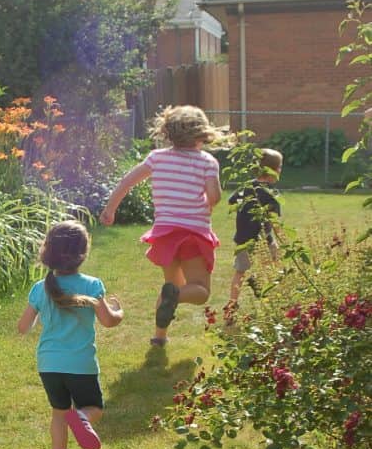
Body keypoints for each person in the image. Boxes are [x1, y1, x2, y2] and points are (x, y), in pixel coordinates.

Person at [100, 105, 222, 346]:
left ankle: (159, 337)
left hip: (165, 235)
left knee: (171, 287)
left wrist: (110, 209)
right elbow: (214, 195)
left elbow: (127, 181)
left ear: (168, 132)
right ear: (201, 133)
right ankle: (173, 302)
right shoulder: (207, 161)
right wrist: (208, 203)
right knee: (199, 291)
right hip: (192, 235)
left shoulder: (157, 158)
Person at [17, 220, 123, 449]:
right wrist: (120, 311)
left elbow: (22, 327)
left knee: (59, 413)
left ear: (48, 251)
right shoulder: (91, 284)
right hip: (80, 364)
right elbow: (108, 321)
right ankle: (83, 419)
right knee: (93, 408)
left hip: (48, 365)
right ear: (82, 254)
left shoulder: (40, 288)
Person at [227, 148, 283, 307]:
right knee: (273, 265)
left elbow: (231, 201)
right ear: (272, 171)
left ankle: (232, 304)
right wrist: (282, 239)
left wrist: (244, 208)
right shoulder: (271, 193)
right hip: (264, 239)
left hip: (243, 239)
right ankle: (266, 294)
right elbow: (274, 220)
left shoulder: (247, 187)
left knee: (240, 271)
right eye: (279, 168)